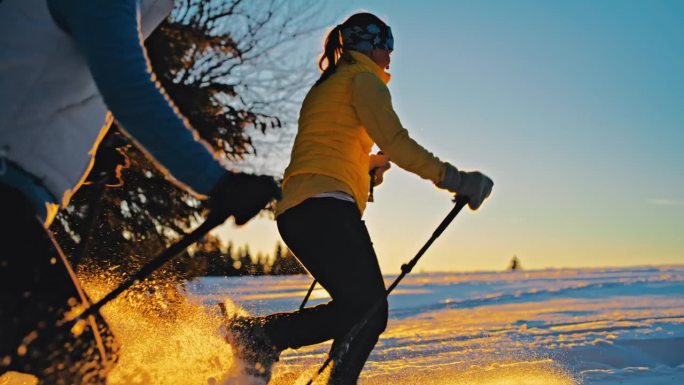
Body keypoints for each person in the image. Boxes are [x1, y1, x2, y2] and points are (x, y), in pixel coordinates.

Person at [0, 0, 279, 383]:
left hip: (17, 200)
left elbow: (41, 74)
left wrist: (85, 149)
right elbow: (127, 85)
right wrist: (215, 181)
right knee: (80, 357)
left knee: (90, 350)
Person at [224, 12, 494, 385]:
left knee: (358, 309)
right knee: (368, 311)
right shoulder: (363, 80)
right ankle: (262, 337)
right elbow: (397, 143)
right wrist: (457, 180)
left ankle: (263, 338)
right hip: (325, 208)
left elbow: (326, 149)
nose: (391, 54)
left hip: (300, 211)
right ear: (371, 44)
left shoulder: (330, 84)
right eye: (388, 44)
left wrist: (365, 167)